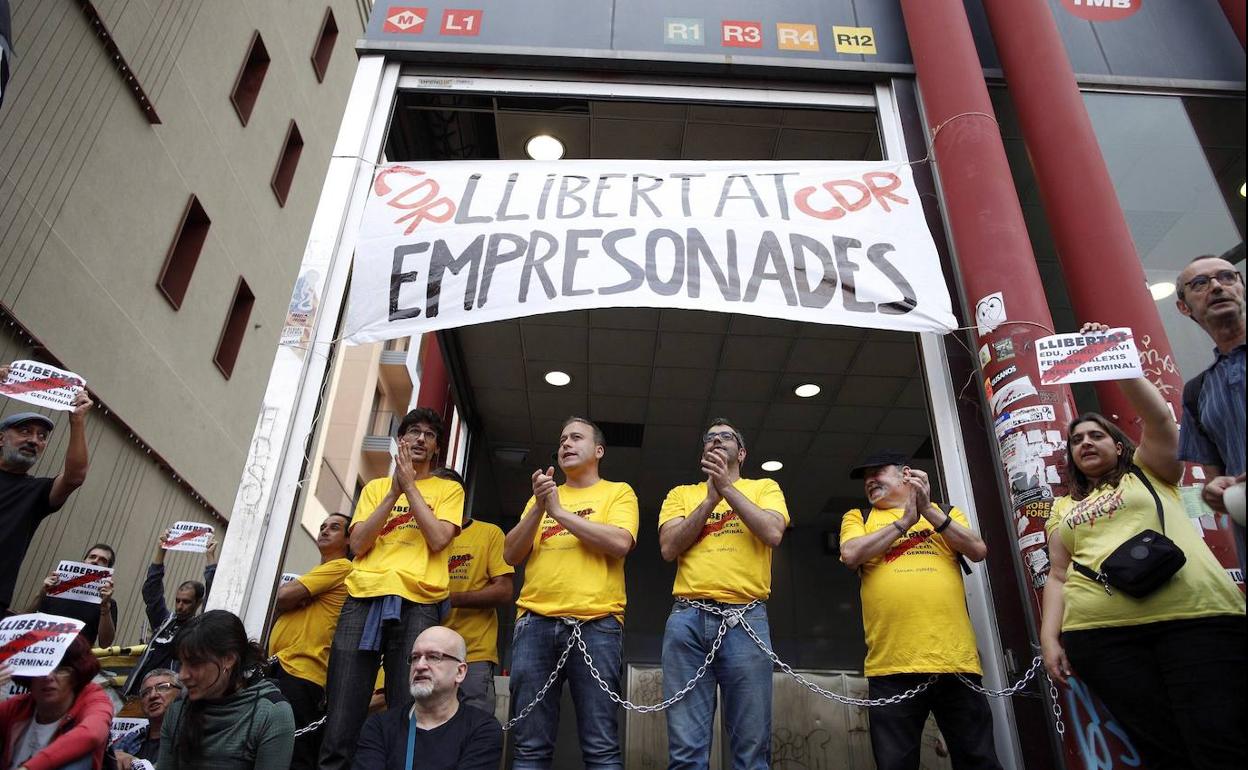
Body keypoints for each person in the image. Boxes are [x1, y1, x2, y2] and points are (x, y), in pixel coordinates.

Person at [1042, 327, 1246, 769]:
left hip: (1196, 622)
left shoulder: (1149, 471)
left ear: (1118, 444)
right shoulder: (1062, 507)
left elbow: (1159, 422)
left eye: (1095, 436)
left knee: (1222, 742)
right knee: (1162, 751)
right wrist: (1048, 639)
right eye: (1076, 441)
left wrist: (1119, 360)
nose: (1085, 443)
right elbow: (1058, 575)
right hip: (1101, 640)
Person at [319, 407, 463, 770]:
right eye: (413, 432)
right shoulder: (374, 488)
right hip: (362, 599)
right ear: (400, 440)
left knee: (408, 711)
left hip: (419, 603)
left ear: (435, 449)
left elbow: (436, 538)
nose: (420, 439)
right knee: (341, 717)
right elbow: (359, 544)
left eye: (429, 435)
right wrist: (393, 492)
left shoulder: (448, 490)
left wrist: (410, 487)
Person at [839, 449, 998, 770]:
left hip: (954, 660)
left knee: (977, 759)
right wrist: (904, 522)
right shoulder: (859, 517)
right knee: (895, 764)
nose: (870, 482)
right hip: (891, 665)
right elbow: (851, 554)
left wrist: (927, 510)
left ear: (906, 474)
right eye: (865, 479)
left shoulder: (946, 512)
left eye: (877, 473)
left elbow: (977, 549)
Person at [502, 417, 638, 770]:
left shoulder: (618, 492)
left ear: (598, 450)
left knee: (601, 747)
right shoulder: (542, 499)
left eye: (576, 438)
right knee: (529, 747)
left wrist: (559, 512)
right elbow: (510, 554)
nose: (566, 444)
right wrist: (539, 507)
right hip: (534, 623)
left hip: (597, 625)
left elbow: (620, 542)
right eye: (562, 439)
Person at [656, 418, 788, 769]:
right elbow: (669, 548)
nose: (716, 441)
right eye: (710, 438)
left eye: (725, 437)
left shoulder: (764, 488)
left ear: (741, 453)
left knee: (751, 749)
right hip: (687, 619)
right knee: (686, 752)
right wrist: (709, 500)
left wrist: (727, 489)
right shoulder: (681, 494)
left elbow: (773, 533)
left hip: (746, 618)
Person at [1174, 256, 1246, 570]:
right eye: (1200, 284)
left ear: (1241, 287)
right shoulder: (1196, 393)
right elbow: (1215, 481)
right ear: (1184, 307)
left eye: (1227, 277)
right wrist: (1215, 492)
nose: (1216, 286)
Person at [0, 380, 92, 615]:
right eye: (24, 431)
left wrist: (77, 420)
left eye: (42, 436)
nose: (34, 440)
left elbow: (74, 477)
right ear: (1, 439)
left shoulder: (36, 492)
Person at [267, 513, 352, 770]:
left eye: (334, 528)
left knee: (296, 756)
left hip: (304, 672)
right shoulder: (318, 572)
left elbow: (282, 596)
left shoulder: (342, 567)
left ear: (349, 539)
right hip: (282, 667)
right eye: (322, 526)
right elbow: (279, 604)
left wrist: (293, 599)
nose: (324, 531)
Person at [159, 610, 294, 769]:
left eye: (194, 663)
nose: (182, 675)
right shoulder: (179, 708)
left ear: (229, 659)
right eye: (181, 664)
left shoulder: (270, 713)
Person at [352, 626, 502, 770]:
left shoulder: (482, 729)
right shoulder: (379, 727)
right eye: (415, 658)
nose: (420, 666)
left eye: (433, 657)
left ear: (460, 672)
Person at [434, 467, 514, 717]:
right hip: (425, 650)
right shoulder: (419, 537)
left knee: (471, 729)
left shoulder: (488, 533)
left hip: (473, 652)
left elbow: (504, 591)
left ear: (461, 496)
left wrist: (450, 599)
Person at [124, 530, 218, 698]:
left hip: (170, 699)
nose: (180, 606)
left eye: (186, 602)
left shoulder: (198, 629)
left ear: (198, 603)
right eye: (178, 600)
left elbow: (215, 594)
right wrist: (161, 550)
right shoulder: (164, 622)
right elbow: (152, 593)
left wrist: (210, 558)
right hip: (136, 692)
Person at [0, 633, 114, 770]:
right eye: (41, 668)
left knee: (79, 758)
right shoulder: (18, 706)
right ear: (28, 677)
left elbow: (92, 734)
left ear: (76, 677)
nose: (49, 677)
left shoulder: (93, 699)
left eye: (60, 670)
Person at [25, 543, 119, 646]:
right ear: (84, 561)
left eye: (103, 560)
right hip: (41, 649)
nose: (95, 561)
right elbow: (24, 621)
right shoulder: (54, 590)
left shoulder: (107, 603)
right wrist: (42, 592)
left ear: (108, 570)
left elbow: (105, 643)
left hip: (74, 658)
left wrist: (105, 608)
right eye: (92, 557)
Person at [112, 668, 182, 769]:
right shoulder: (131, 738)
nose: (152, 696)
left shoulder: (191, 737)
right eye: (146, 692)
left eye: (163, 687)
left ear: (181, 693)